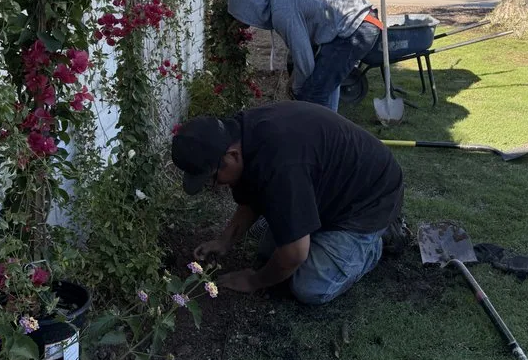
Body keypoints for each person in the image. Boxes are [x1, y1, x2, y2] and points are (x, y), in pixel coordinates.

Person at [171, 102, 405, 305]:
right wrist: (225, 241)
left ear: (232, 156)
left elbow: (294, 254)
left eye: (212, 178)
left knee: (309, 286)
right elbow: (250, 197)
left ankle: (378, 241)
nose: (213, 185)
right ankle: (321, 231)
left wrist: (254, 280)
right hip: (332, 189)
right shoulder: (241, 135)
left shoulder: (280, 165)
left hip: (370, 201)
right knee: (269, 253)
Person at [227, 0, 381, 111]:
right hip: (358, 22)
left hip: (357, 27)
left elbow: (305, 64)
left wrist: (294, 88)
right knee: (322, 84)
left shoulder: (281, 10)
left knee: (311, 95)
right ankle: (329, 131)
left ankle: (320, 138)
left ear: (250, 5)